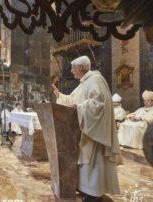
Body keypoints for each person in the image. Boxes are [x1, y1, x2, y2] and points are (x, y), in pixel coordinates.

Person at [52, 56, 122, 202]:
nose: (71, 71)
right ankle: (86, 188)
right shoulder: (84, 83)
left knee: (94, 162)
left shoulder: (95, 80)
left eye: (73, 68)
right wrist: (59, 95)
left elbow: (99, 104)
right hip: (86, 129)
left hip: (94, 132)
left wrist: (80, 108)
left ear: (81, 68)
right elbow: (73, 100)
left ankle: (94, 192)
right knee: (86, 163)